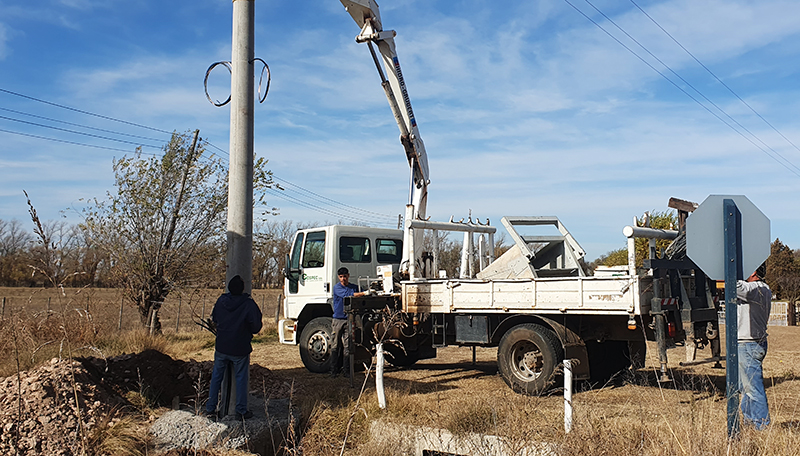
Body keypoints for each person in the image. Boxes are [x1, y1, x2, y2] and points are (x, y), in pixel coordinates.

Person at [206, 275, 263, 420]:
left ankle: (210, 409)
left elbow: (215, 319)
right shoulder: (248, 304)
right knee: (241, 379)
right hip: (240, 347)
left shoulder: (221, 301)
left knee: (216, 378)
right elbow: (256, 326)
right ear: (242, 289)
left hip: (222, 346)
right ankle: (241, 411)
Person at [737, 263, 771, 430]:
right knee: (746, 387)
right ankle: (749, 422)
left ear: (754, 271)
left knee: (753, 388)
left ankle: (761, 426)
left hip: (748, 343)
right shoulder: (765, 288)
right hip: (755, 342)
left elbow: (731, 284)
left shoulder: (752, 289)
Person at [330, 267, 369, 377]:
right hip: (338, 319)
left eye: (345, 276)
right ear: (338, 277)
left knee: (348, 346)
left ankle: (346, 370)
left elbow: (358, 291)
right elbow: (350, 294)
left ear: (348, 275)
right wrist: (364, 293)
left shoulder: (354, 287)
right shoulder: (337, 288)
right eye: (341, 277)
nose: (343, 279)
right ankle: (333, 370)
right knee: (335, 345)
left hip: (349, 319)